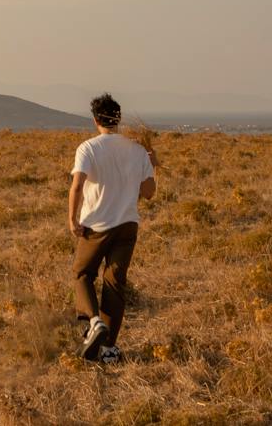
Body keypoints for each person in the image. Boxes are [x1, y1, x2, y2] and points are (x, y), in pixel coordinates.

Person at [68, 92, 155, 363]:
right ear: (118, 119)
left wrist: (72, 220)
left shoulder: (88, 148)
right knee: (115, 284)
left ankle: (94, 323)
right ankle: (108, 349)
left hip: (97, 225)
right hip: (128, 225)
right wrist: (152, 162)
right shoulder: (138, 150)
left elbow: (77, 185)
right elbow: (149, 193)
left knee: (82, 273)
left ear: (96, 120)